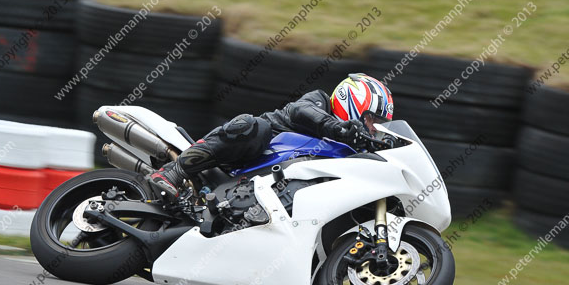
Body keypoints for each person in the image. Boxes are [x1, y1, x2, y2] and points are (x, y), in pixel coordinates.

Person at [149, 73, 394, 198]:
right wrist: (336, 128)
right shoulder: (318, 101)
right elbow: (301, 111)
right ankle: (174, 171)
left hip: (267, 187)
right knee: (254, 126)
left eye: (380, 124)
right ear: (350, 99)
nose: (372, 127)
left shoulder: (350, 150)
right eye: (371, 118)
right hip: (242, 159)